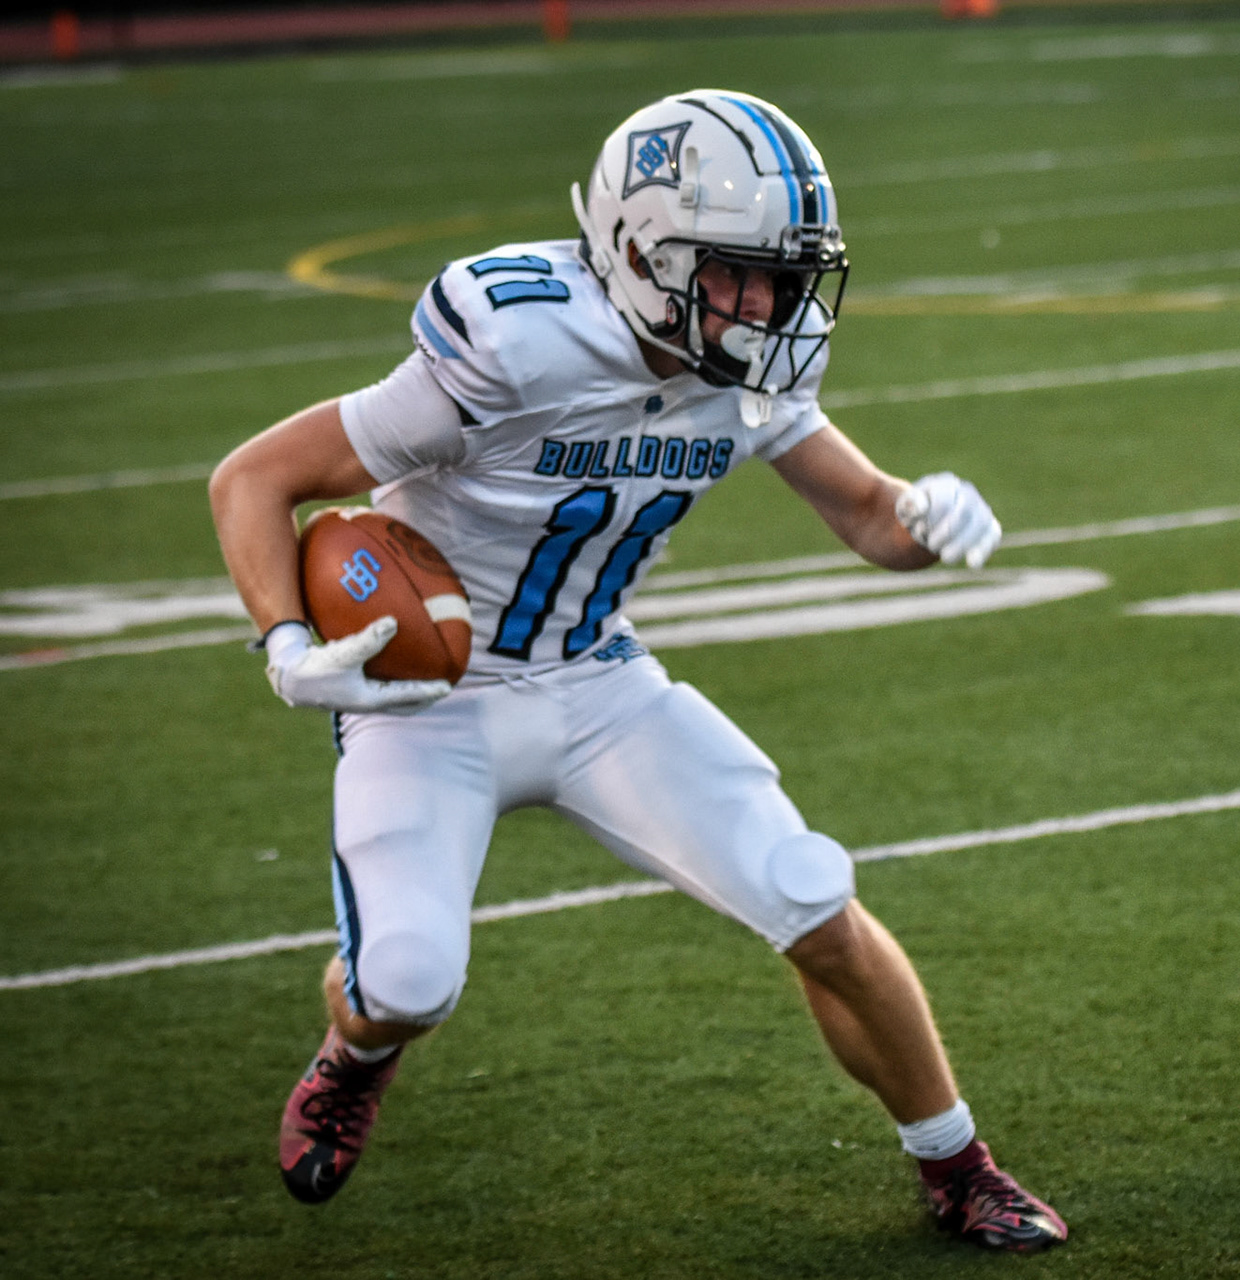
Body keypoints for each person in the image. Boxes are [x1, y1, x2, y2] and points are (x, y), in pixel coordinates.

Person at [207, 89, 1067, 1254]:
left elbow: (869, 513)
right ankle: (358, 1054)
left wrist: (927, 515)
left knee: (812, 893)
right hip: (426, 700)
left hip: (597, 682)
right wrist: (284, 644)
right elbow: (254, 477)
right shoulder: (515, 340)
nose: (769, 306)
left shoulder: (750, 367)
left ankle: (959, 1163)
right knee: (406, 979)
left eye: (785, 277)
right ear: (639, 251)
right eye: (740, 274)